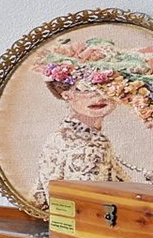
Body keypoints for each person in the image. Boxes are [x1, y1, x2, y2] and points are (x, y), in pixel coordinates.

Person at [29, 37, 153, 209]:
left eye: (104, 88)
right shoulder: (91, 146)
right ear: (66, 94)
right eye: (84, 89)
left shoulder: (61, 135)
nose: (97, 97)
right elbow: (89, 211)